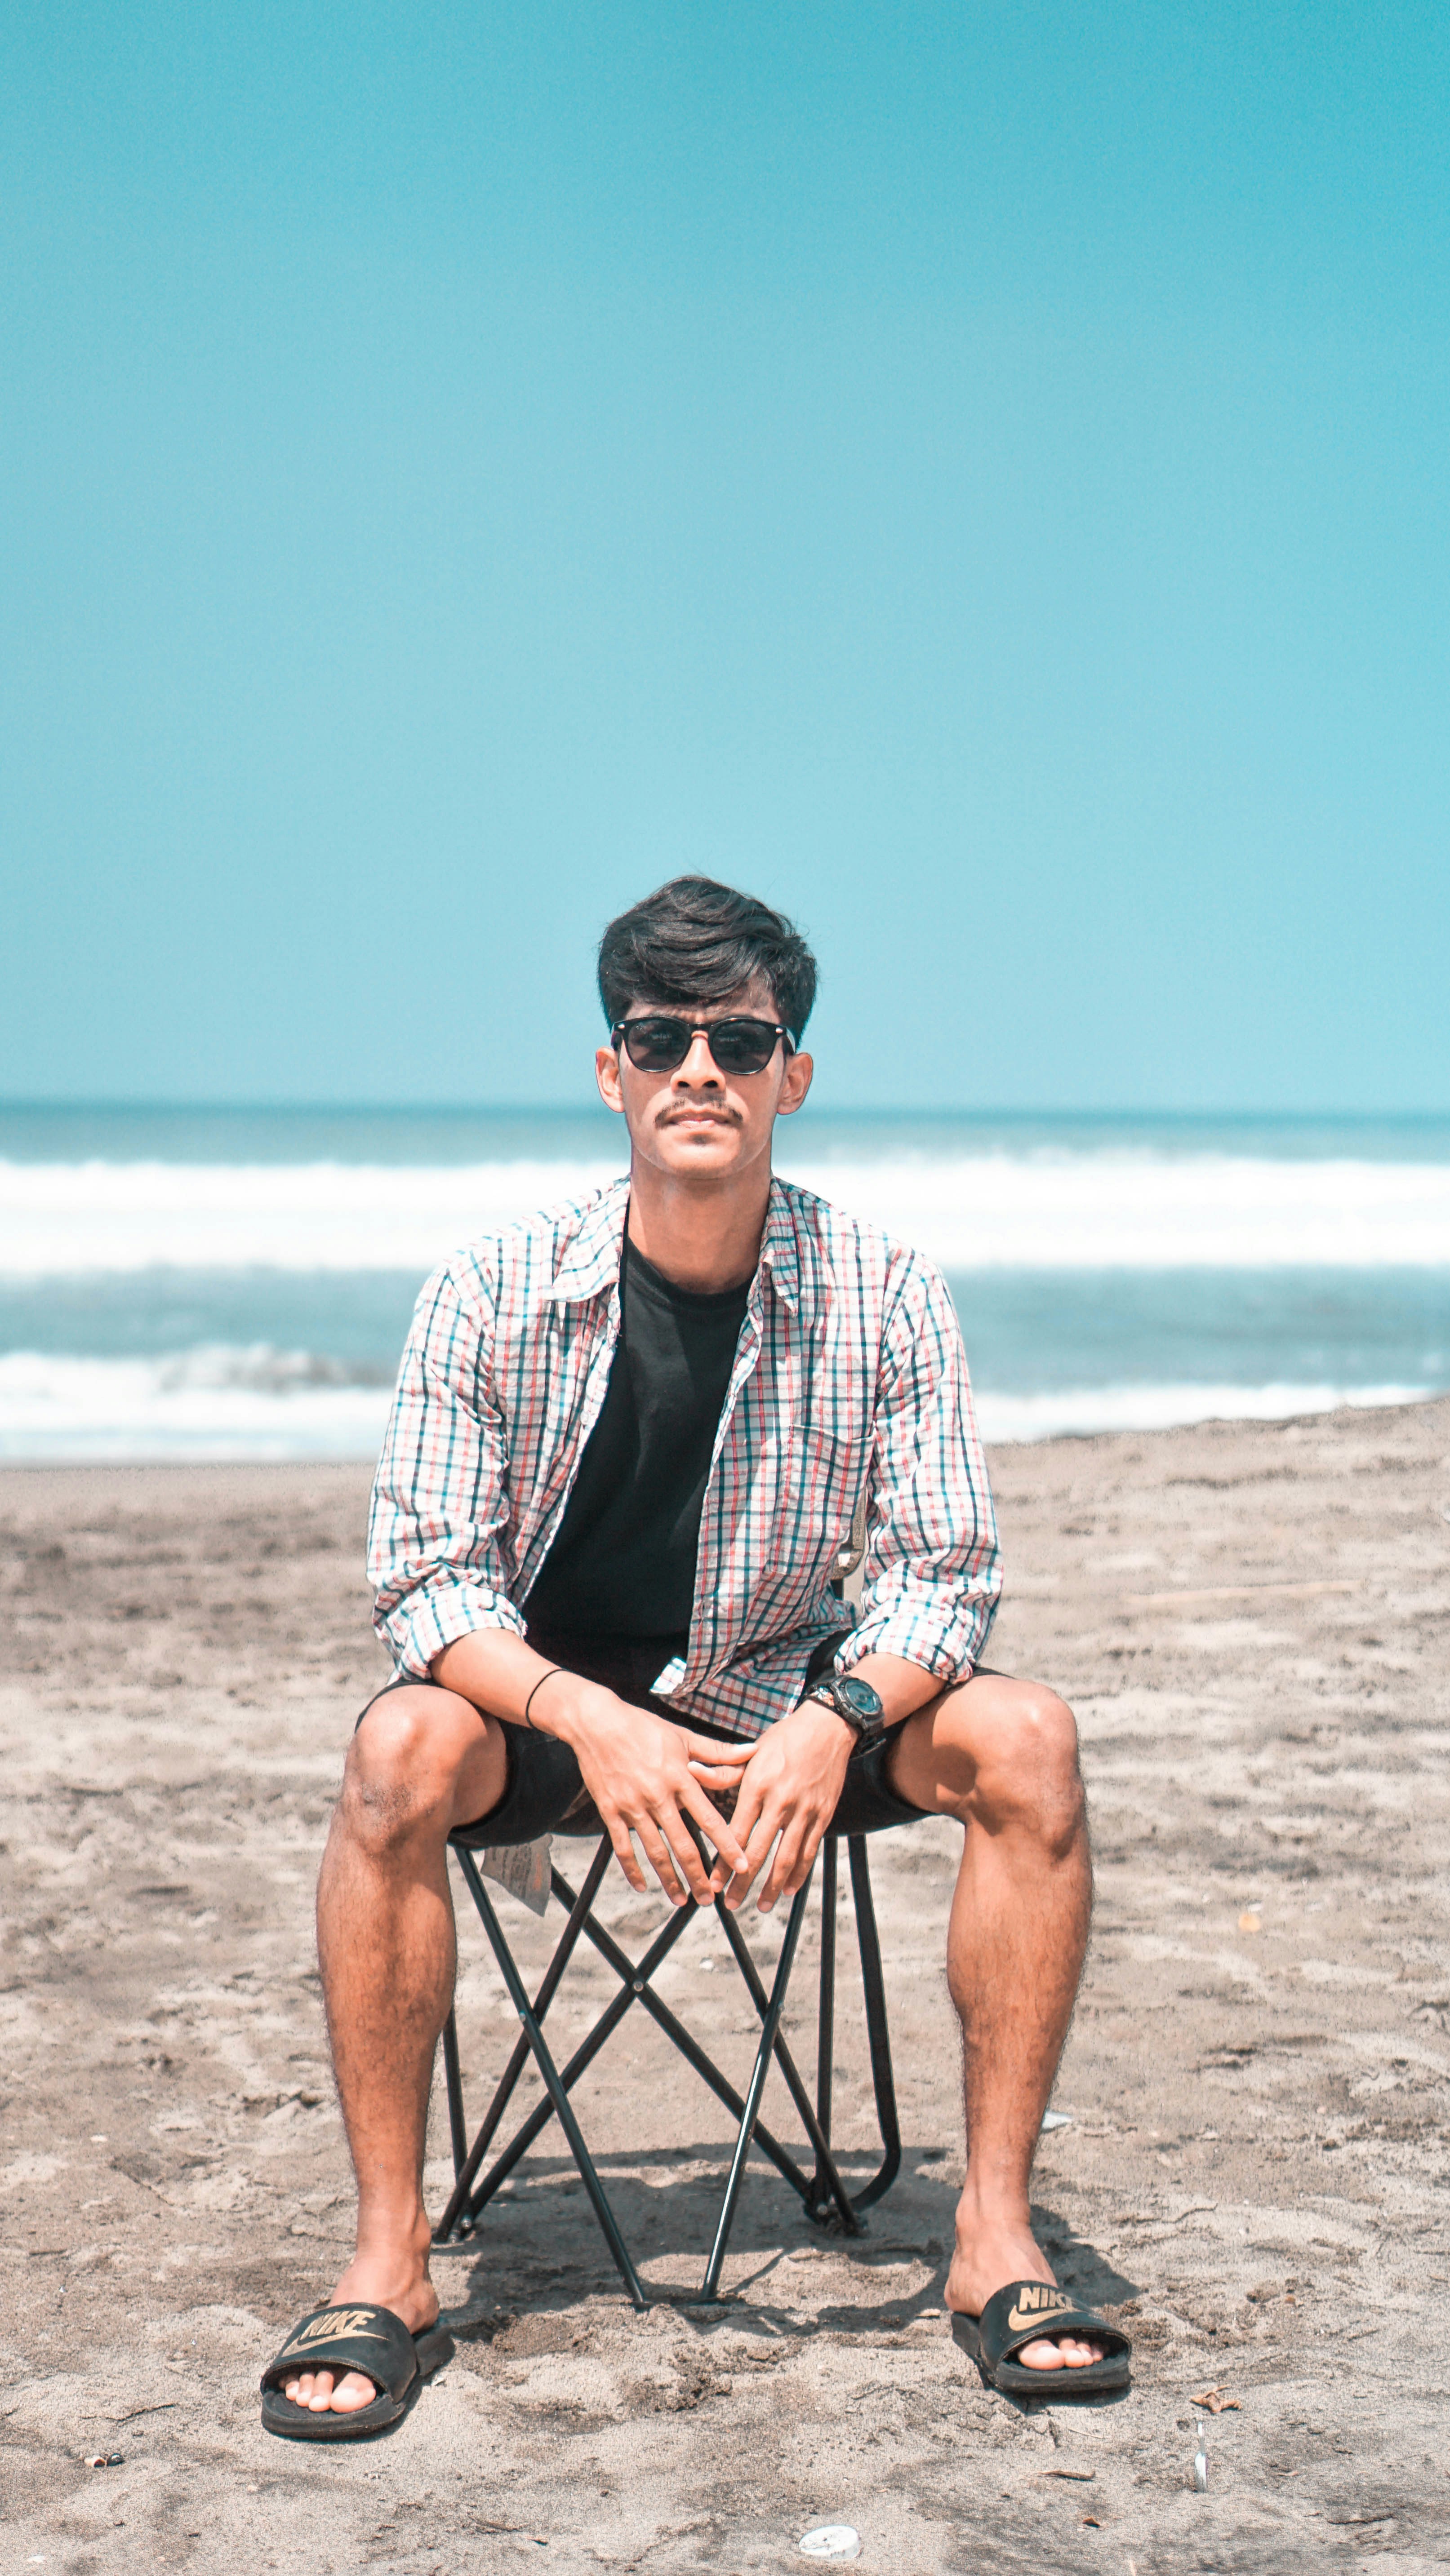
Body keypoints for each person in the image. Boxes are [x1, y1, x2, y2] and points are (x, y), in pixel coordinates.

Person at [259, 875, 1130, 2439]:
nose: (699, 1072)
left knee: (1033, 1740)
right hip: (547, 1706)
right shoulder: (489, 1286)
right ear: (612, 1073)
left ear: (794, 1074)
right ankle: (387, 2259)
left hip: (792, 1695)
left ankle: (993, 2236)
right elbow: (427, 1583)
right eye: (660, 1039)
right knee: (393, 1754)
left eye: (741, 1039)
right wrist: (592, 1724)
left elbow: (946, 1576)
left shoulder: (885, 1288)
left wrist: (833, 1722)